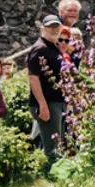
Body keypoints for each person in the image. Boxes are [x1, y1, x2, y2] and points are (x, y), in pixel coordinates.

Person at [27, 16, 66, 166]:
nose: (54, 30)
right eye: (50, 27)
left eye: (57, 27)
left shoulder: (53, 47)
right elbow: (33, 78)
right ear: (43, 28)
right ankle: (54, 179)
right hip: (47, 102)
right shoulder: (40, 48)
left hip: (57, 100)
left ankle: (60, 175)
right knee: (52, 148)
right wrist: (42, 105)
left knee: (59, 143)